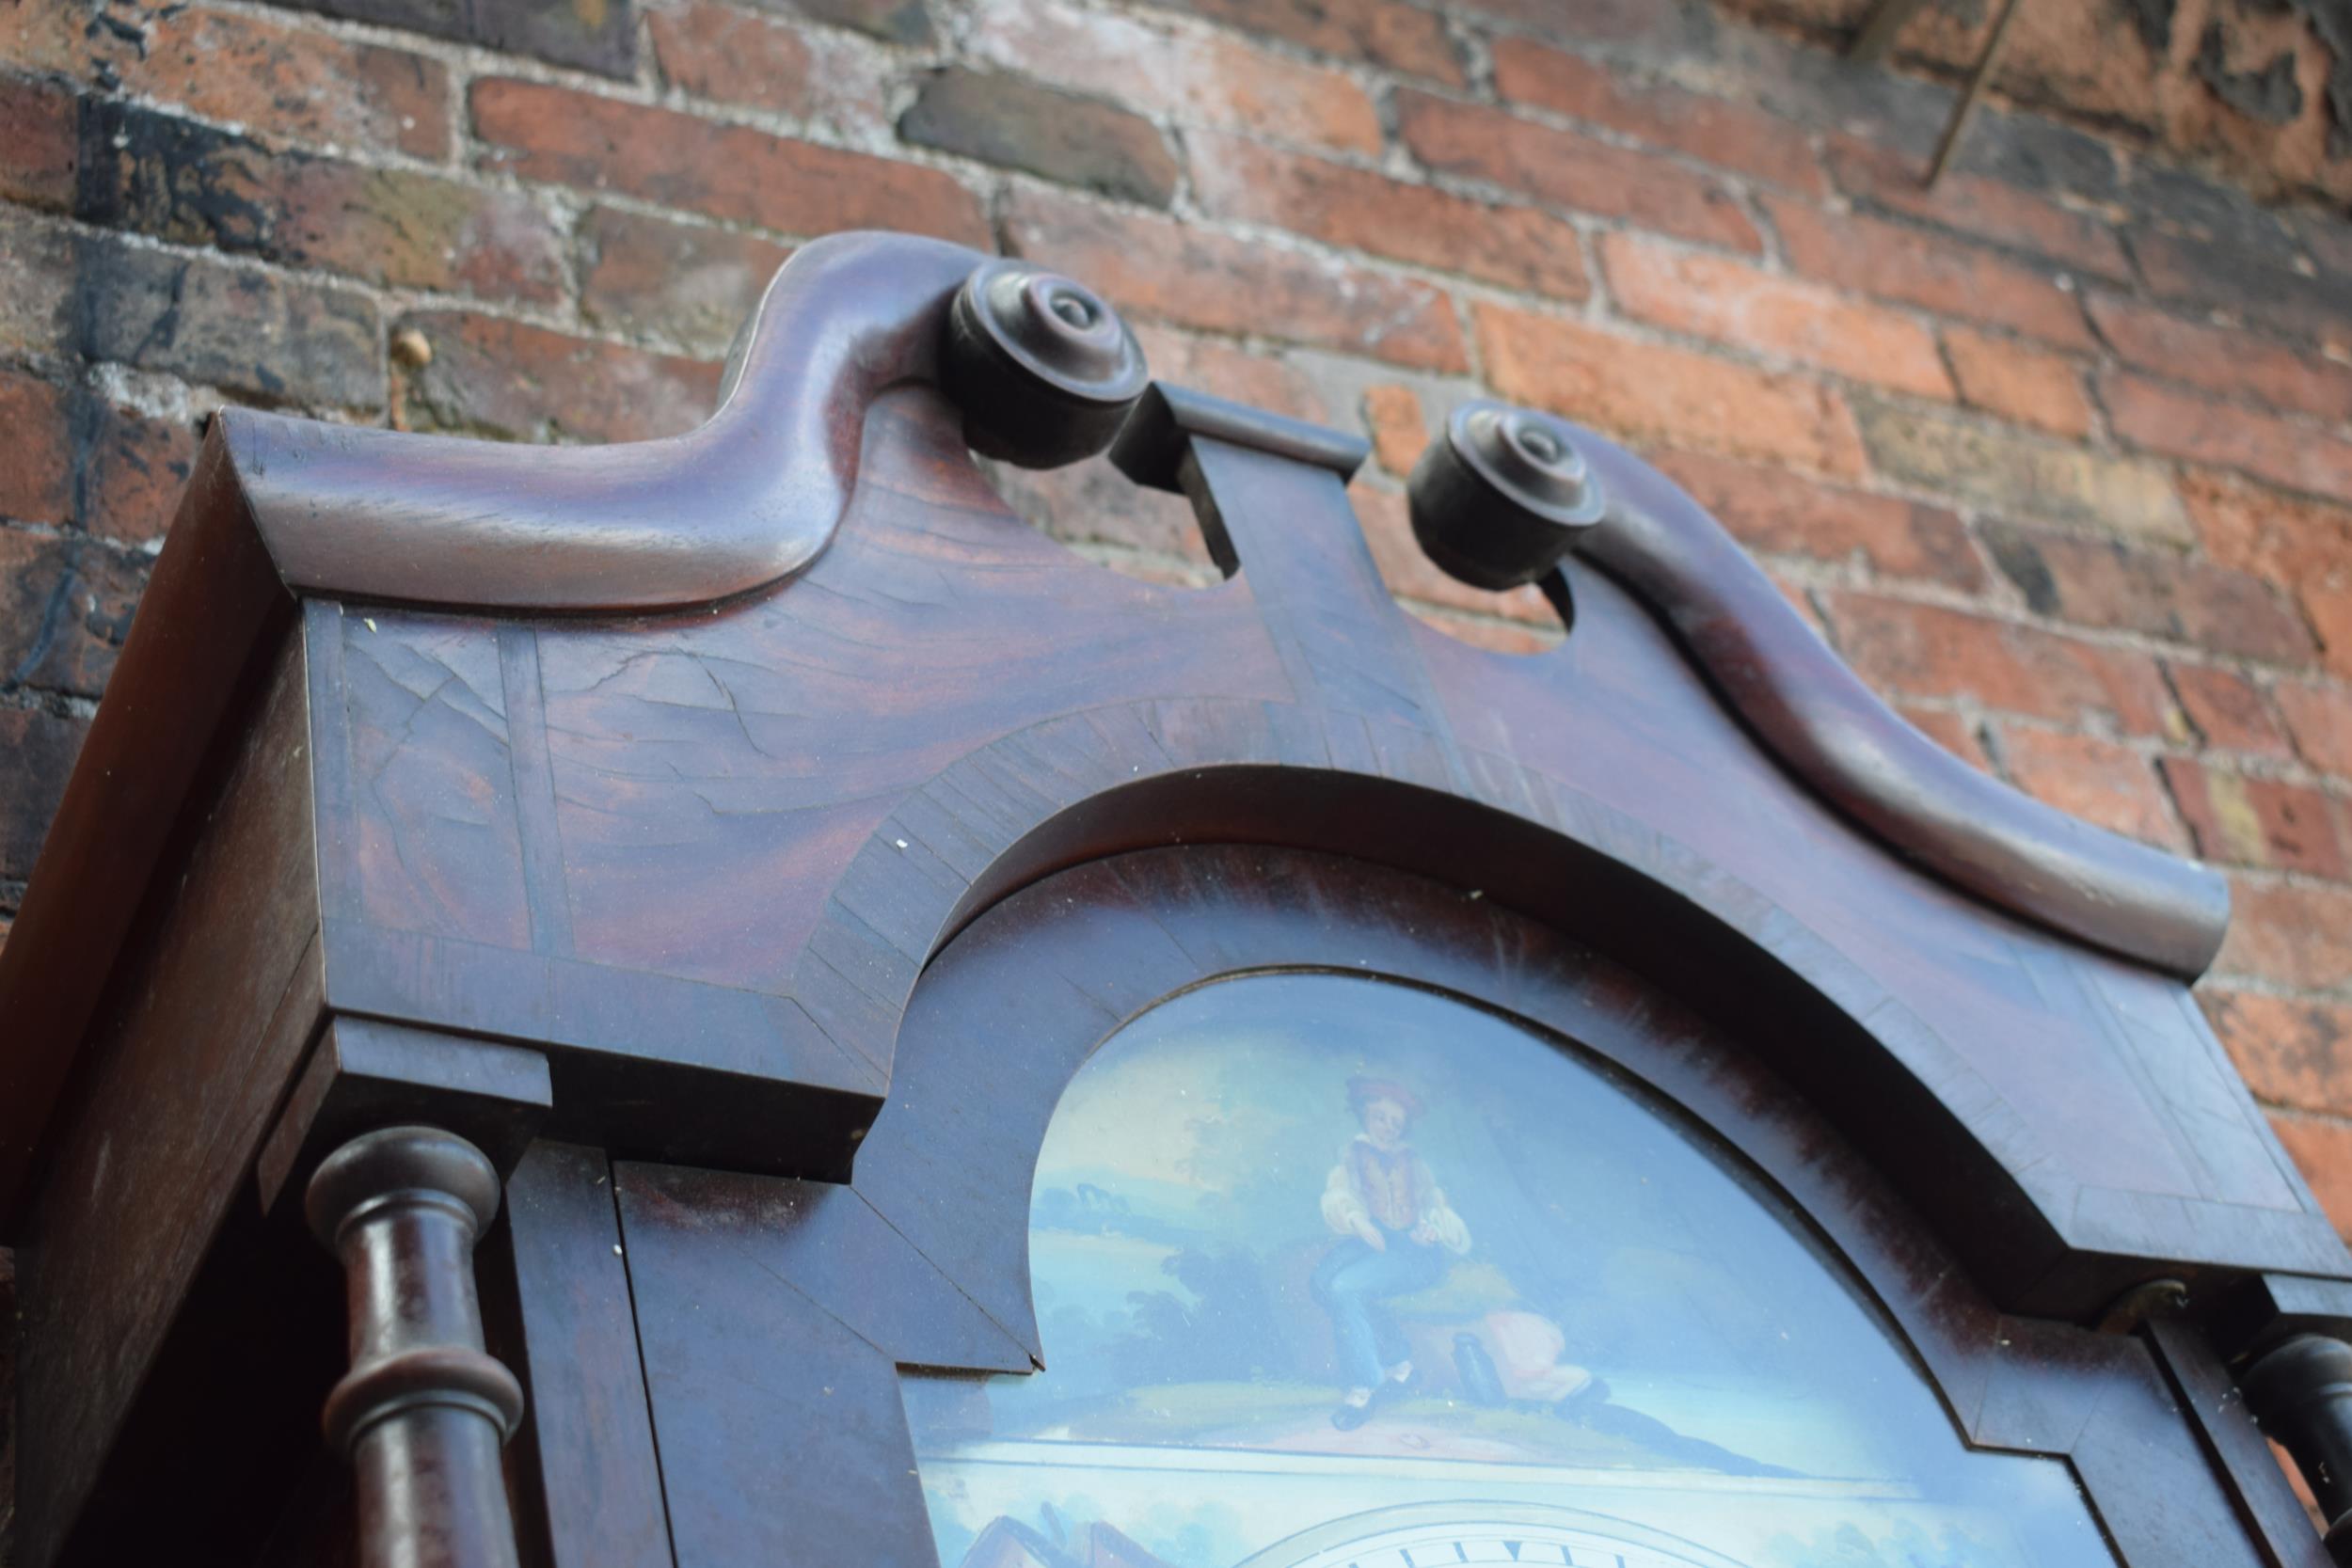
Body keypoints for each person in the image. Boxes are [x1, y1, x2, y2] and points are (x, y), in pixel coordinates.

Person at [1311, 1077, 1470, 1429]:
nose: (1387, 1128)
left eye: (1396, 1123)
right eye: (1381, 1118)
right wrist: (1356, 1219)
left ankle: (1364, 1387)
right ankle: (1400, 1365)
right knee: (1322, 1282)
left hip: (1413, 1251)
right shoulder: (1353, 1154)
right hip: (1372, 1240)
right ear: (1366, 1115)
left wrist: (1432, 1227)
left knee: (1346, 1289)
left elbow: (1436, 1206)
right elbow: (1339, 1194)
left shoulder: (1415, 1163)